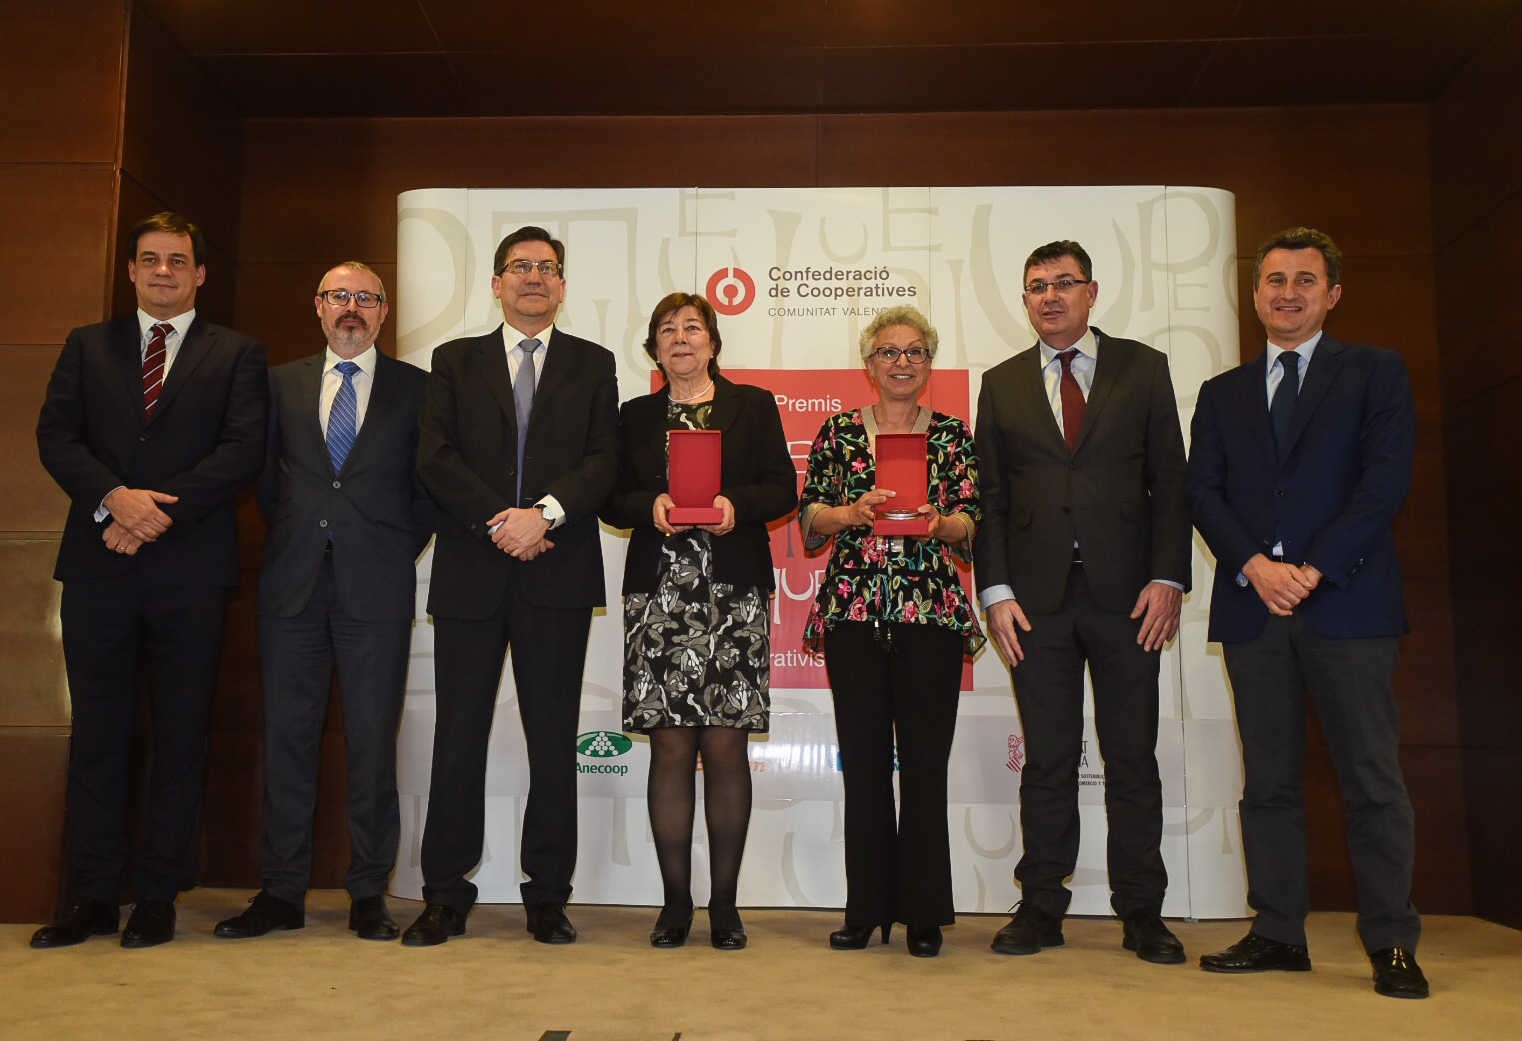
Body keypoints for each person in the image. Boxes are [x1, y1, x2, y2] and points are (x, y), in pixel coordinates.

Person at [1188, 227, 1427, 998]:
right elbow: (1203, 493)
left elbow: (1384, 483)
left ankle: (1392, 943)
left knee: (1372, 779)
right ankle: (1278, 931)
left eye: (1304, 279)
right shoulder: (1222, 392)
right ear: (1254, 294)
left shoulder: (1375, 373)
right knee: (1269, 783)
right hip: (1256, 606)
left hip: (1348, 604)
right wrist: (1257, 567)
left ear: (1332, 293)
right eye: (1274, 279)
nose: (1287, 292)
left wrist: (1314, 568)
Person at [32, 211, 269, 949]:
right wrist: (116, 499)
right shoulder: (86, 346)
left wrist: (154, 512)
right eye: (150, 259)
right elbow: (55, 436)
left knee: (179, 734)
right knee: (99, 734)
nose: (163, 270)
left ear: (200, 274)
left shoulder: (237, 354)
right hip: (98, 567)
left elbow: (242, 449)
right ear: (131, 271)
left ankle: (158, 896)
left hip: (189, 568)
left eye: (178, 260)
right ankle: (91, 897)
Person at [974, 240, 1190, 963]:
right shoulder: (1001, 383)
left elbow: (1171, 482)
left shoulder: (1144, 367)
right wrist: (995, 590)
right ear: (1025, 298)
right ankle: (1040, 905)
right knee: (1048, 759)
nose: (1050, 296)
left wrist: (1170, 576)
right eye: (1037, 286)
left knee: (1132, 756)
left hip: (1131, 597)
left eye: (1064, 283)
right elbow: (992, 499)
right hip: (1034, 603)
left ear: (1092, 292)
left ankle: (1142, 910)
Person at [403, 226, 619, 947]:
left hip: (556, 571)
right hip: (472, 566)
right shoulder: (454, 360)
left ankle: (548, 894)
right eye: (520, 267)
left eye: (548, 268)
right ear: (496, 283)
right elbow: (435, 456)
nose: (534, 278)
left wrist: (544, 514)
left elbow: (603, 460)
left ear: (562, 285)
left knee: (554, 738)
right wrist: (502, 521)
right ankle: (443, 892)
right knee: (458, 735)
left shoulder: (594, 363)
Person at [214, 262, 433, 943]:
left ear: (383, 312)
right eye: (340, 296)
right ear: (317, 306)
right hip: (293, 586)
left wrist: (382, 546)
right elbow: (268, 484)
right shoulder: (277, 383)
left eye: (366, 299)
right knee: (287, 739)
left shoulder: (418, 389)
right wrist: (314, 534)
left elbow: (426, 491)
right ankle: (281, 890)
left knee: (371, 746)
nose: (352, 309)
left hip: (377, 587)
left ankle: (368, 890)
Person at [601, 292, 797, 950]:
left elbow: (782, 488)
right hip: (660, 597)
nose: (681, 338)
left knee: (725, 745)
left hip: (730, 596)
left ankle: (725, 906)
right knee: (670, 747)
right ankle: (674, 903)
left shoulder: (753, 406)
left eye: (693, 328)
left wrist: (732, 504)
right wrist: (649, 502)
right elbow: (609, 496)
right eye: (667, 329)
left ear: (713, 343)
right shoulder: (634, 416)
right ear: (654, 348)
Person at [799, 305, 982, 959]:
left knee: (925, 769)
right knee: (866, 768)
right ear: (868, 364)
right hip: (853, 617)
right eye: (888, 351)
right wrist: (850, 511)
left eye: (914, 351)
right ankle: (866, 908)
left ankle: (924, 913)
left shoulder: (955, 435)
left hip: (930, 618)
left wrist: (942, 524)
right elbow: (810, 517)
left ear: (929, 363)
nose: (901, 361)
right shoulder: (840, 431)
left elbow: (973, 524)